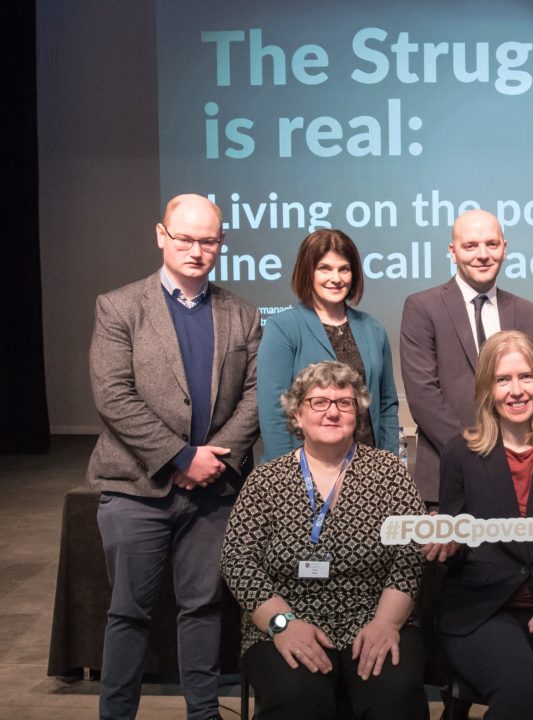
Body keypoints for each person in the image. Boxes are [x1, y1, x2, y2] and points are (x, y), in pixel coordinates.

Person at [87, 193, 260, 720]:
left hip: (213, 491)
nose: (195, 250)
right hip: (135, 488)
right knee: (128, 613)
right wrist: (181, 457)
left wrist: (213, 462)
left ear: (221, 244)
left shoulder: (243, 313)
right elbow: (112, 395)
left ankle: (203, 714)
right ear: (161, 236)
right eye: (184, 238)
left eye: (208, 240)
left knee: (203, 608)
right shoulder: (119, 306)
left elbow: (256, 395)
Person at [221, 361, 428, 719]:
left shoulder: (388, 472)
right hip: (285, 619)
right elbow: (237, 560)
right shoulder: (266, 480)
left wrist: (386, 623)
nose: (332, 412)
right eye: (319, 402)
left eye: (344, 403)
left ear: (357, 413)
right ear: (297, 415)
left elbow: (410, 553)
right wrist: (283, 625)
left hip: (375, 615)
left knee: (395, 693)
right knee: (295, 695)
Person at [424, 331, 533, 720]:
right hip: (483, 610)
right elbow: (455, 540)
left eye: (526, 377)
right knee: (521, 692)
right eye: (503, 380)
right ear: (487, 389)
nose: (516, 390)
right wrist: (449, 544)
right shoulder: (460, 453)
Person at [401, 209, 533, 504]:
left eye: (491, 244)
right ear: (453, 252)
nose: (482, 255)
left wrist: (508, 459)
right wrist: (478, 457)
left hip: (520, 480)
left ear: (504, 248)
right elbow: (423, 397)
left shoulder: (528, 313)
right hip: (447, 475)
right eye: (470, 246)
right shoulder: (422, 307)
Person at [258, 229, 398, 461]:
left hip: (368, 467)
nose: (336, 278)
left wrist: (388, 463)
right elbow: (274, 414)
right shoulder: (282, 328)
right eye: (325, 268)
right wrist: (288, 472)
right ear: (308, 272)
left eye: (344, 269)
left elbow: (386, 405)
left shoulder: (373, 328)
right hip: (305, 470)